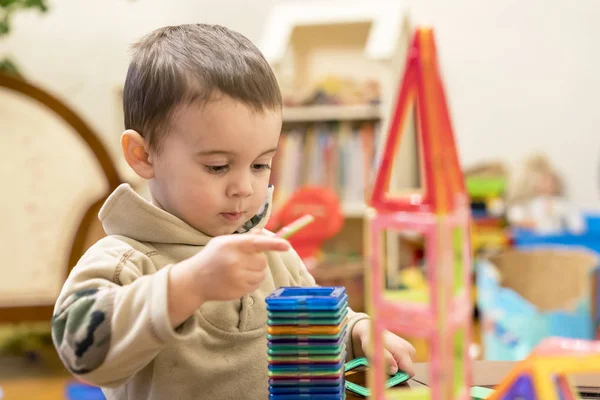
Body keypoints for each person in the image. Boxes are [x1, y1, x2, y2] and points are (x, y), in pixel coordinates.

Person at [51, 24, 415, 400]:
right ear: (143, 156)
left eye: (260, 165)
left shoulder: (273, 253)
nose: (244, 187)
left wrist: (357, 332)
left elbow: (317, 334)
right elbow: (79, 352)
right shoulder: (124, 260)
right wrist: (189, 285)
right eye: (218, 166)